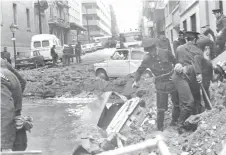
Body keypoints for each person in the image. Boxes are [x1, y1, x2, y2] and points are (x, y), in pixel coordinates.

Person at [132, 38, 179, 131]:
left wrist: (178, 66)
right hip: (160, 83)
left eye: (152, 50)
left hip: (171, 80)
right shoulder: (147, 59)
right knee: (161, 108)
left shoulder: (166, 52)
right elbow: (139, 70)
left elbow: (175, 61)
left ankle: (174, 121)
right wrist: (135, 80)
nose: (151, 53)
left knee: (176, 103)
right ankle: (160, 128)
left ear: (155, 48)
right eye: (149, 51)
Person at [172, 31, 204, 134]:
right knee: (189, 102)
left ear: (186, 39)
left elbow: (179, 62)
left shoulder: (179, 48)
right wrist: (199, 74)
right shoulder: (198, 51)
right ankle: (180, 125)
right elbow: (195, 65)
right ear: (195, 40)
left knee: (190, 101)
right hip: (181, 77)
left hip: (186, 76)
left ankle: (191, 123)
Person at [1, 58, 26, 151]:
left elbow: (5, 109)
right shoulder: (2, 62)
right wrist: (14, 102)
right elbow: (22, 82)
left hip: (6, 135)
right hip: (16, 129)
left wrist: (5, 146)